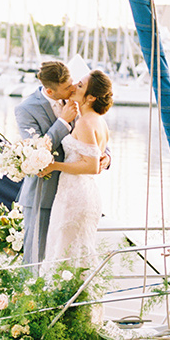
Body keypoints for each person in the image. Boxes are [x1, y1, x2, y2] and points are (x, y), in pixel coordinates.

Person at [38, 70, 112, 274]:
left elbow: (91, 166)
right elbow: (97, 160)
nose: (74, 86)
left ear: (90, 97)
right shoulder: (98, 121)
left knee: (64, 254)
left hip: (75, 196)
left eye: (80, 85)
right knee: (72, 253)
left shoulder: (86, 122)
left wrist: (54, 166)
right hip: (80, 193)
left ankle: (65, 300)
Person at [14, 61, 78, 265]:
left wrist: (106, 155)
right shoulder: (26, 109)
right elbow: (35, 153)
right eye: (67, 88)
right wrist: (63, 122)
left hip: (74, 190)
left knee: (67, 254)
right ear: (50, 90)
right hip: (43, 193)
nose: (72, 89)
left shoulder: (76, 97)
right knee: (35, 257)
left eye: (71, 83)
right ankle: (29, 296)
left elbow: (93, 130)